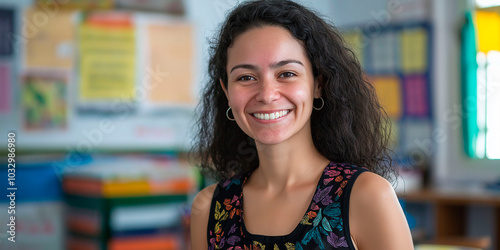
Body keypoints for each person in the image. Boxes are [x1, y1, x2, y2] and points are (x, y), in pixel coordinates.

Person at [190, 0, 414, 249]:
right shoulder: (209, 209)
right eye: (246, 77)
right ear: (227, 91)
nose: (267, 94)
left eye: (286, 74)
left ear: (318, 84)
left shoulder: (367, 196)